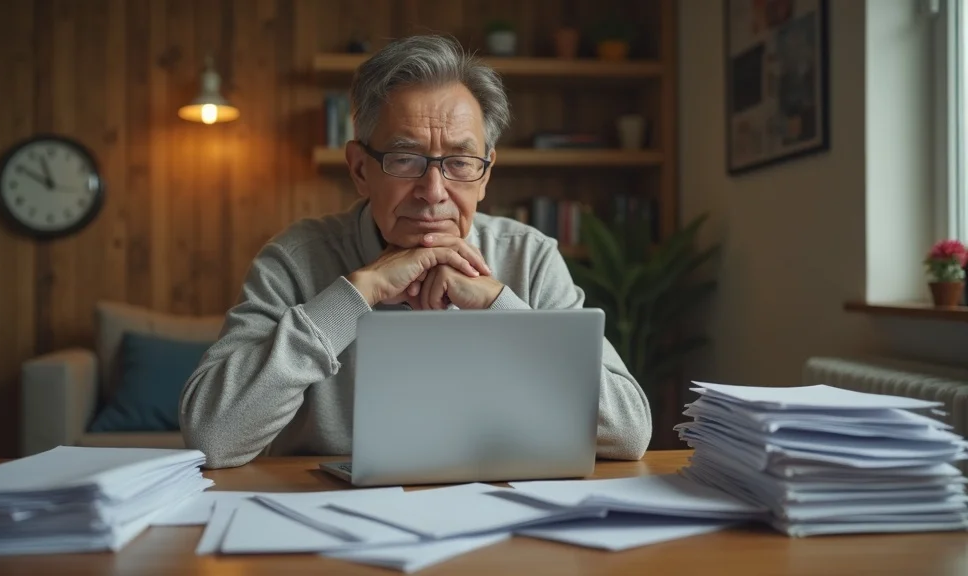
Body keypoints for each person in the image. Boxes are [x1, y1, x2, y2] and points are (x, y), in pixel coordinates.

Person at [179, 35, 652, 469]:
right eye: (405, 159)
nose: (433, 191)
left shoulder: (528, 257)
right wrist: (354, 296)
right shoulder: (294, 259)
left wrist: (499, 308)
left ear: (485, 173)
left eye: (460, 163)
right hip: (325, 517)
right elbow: (211, 437)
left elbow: (629, 433)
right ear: (360, 169)